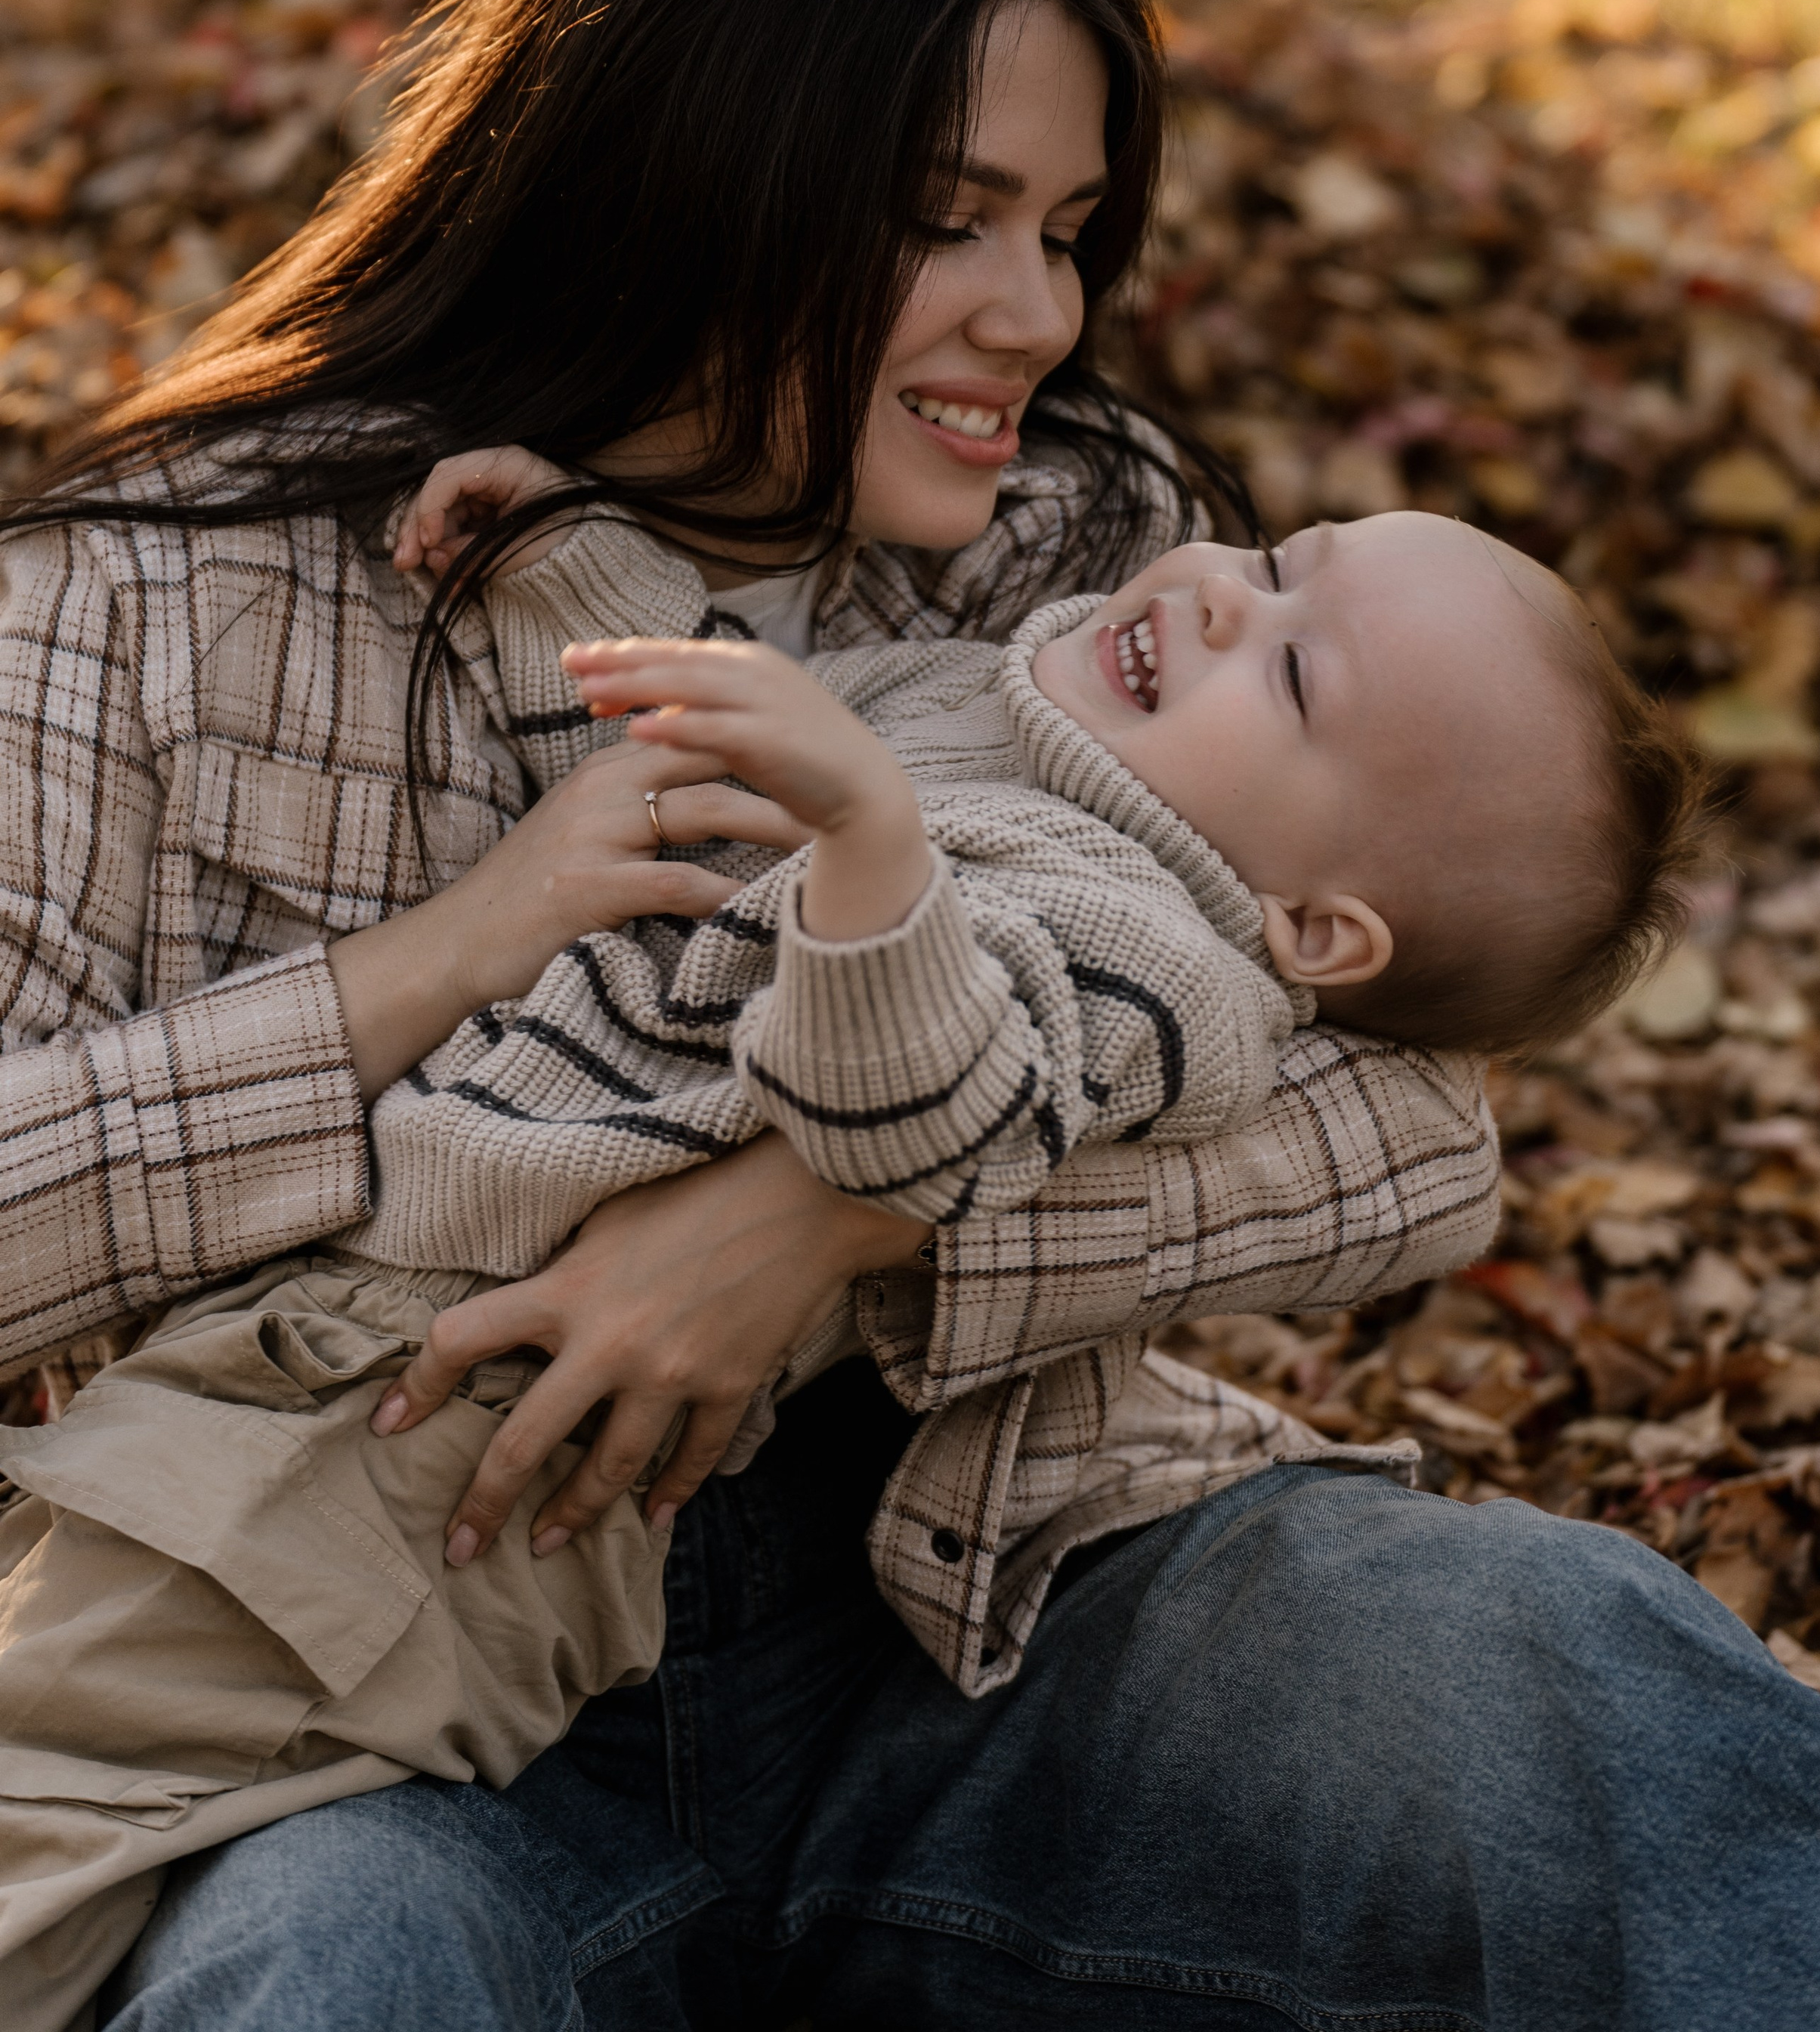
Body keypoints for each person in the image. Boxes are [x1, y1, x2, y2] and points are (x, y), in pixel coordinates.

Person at [0, 0, 1820, 2031]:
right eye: (950, 218)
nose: (1034, 312)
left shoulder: (1076, 545)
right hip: (390, 1700)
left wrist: (837, 1219)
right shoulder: (135, 609)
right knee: (334, 1975)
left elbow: (1415, 1119)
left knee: (1551, 1670)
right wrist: (435, 962)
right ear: (682, 182)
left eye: (1071, 226)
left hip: (986, 1612)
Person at [0, 497, 1706, 2024]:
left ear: (1319, 929)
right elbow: (686, 759)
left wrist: (874, 860)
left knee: (58, 1807)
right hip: (315, 1369)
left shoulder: (1152, 956)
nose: (1210, 601)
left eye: (1291, 678)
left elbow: (924, 1113)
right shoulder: (985, 709)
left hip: (442, 1462)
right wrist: (562, 569)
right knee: (79, 1795)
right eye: (1272, 567)